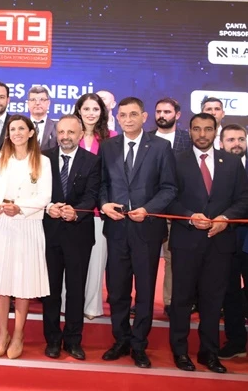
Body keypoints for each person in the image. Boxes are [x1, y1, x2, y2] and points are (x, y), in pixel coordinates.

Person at [167, 112, 248, 373]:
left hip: (220, 243)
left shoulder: (232, 163)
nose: (202, 134)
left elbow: (244, 199)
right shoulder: (175, 160)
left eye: (208, 129)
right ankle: (180, 351)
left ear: (216, 132)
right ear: (189, 131)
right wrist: (190, 217)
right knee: (181, 300)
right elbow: (168, 198)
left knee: (213, 301)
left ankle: (209, 353)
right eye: (197, 129)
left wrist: (226, 218)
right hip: (186, 241)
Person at [99, 97, 177, 369]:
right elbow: (102, 184)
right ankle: (120, 339)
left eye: (133, 114)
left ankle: (139, 344)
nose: (128, 119)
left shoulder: (161, 147)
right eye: (123, 115)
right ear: (117, 118)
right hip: (117, 229)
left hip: (147, 229)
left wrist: (148, 209)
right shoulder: (108, 146)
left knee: (144, 291)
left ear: (144, 117)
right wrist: (104, 204)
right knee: (117, 290)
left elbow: (169, 187)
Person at [0, 114, 51, 359]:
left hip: (27, 226)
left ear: (31, 132)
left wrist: (19, 207)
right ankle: (2, 334)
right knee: (1, 283)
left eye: (21, 128)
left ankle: (18, 335)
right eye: (12, 129)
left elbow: (44, 197)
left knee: (22, 284)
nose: (16, 133)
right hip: (1, 224)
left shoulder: (42, 161)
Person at [41, 114, 101, 360]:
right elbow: (37, 191)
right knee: (51, 290)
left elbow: (93, 194)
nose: (65, 137)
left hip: (79, 234)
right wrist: (48, 207)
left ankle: (74, 340)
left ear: (80, 135)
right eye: (61, 132)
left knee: (76, 290)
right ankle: (52, 340)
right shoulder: (43, 158)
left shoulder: (92, 161)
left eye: (71, 132)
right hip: (49, 234)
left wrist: (76, 212)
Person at [70, 93, 117, 320]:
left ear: (102, 112)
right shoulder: (68, 135)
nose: (90, 113)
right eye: (86, 109)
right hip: (71, 210)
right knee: (70, 261)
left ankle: (91, 306)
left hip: (99, 211)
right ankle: (67, 303)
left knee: (96, 262)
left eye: (95, 109)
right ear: (78, 110)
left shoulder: (112, 138)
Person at [148, 97, 191, 316]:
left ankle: (170, 301)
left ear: (177, 115)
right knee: (145, 259)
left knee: (173, 258)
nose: (162, 115)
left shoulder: (188, 140)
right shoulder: (145, 138)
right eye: (158, 112)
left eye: (167, 112)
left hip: (178, 209)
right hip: (150, 209)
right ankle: (143, 301)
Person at [218, 123, 248, 360]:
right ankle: (236, 341)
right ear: (221, 143)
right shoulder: (216, 168)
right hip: (226, 238)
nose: (236, 144)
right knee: (229, 291)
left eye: (241, 139)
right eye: (231, 140)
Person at [26, 86, 57, 150]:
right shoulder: (21, 126)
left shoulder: (57, 127)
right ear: (28, 103)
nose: (37, 103)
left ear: (48, 103)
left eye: (42, 100)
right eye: (33, 100)